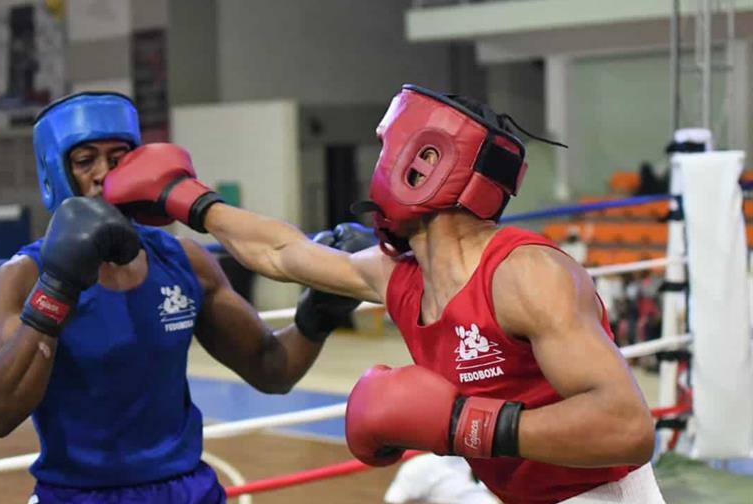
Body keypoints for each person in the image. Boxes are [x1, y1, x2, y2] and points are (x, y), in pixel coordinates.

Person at [102, 84, 665, 503]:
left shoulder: (526, 274)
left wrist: (463, 424)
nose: (378, 165)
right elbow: (281, 252)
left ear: (425, 163)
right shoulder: (398, 274)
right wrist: (191, 200)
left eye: (387, 149)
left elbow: (626, 427)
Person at [0, 92, 372, 504]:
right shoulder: (24, 276)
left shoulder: (183, 261)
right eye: (85, 160)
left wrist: (318, 313)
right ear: (56, 171)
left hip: (185, 490)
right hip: (78, 496)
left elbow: (272, 368)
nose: (103, 174)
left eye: (118, 158)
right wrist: (57, 289)